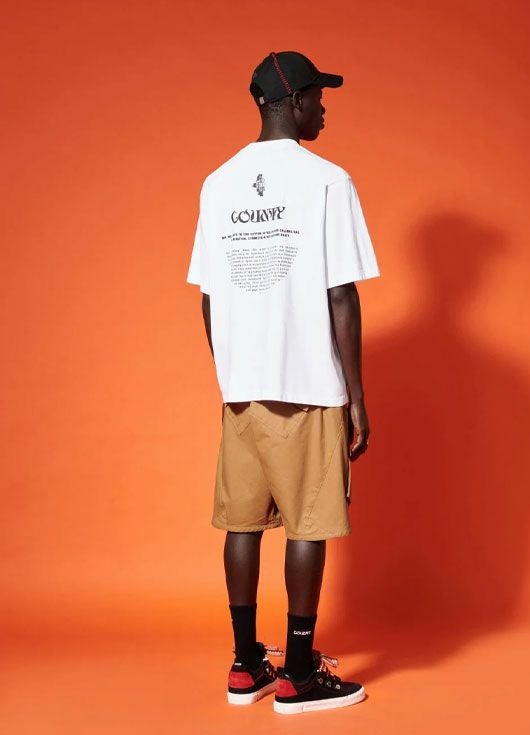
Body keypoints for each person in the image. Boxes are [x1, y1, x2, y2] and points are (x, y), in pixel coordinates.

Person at [186, 50, 381, 715]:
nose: (324, 109)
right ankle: (298, 673)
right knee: (308, 522)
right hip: (309, 383)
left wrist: (231, 369)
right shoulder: (327, 180)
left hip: (242, 389)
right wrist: (357, 397)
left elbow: (208, 296)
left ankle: (246, 665)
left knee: (242, 524)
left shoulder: (218, 184)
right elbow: (342, 295)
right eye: (319, 97)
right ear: (294, 100)